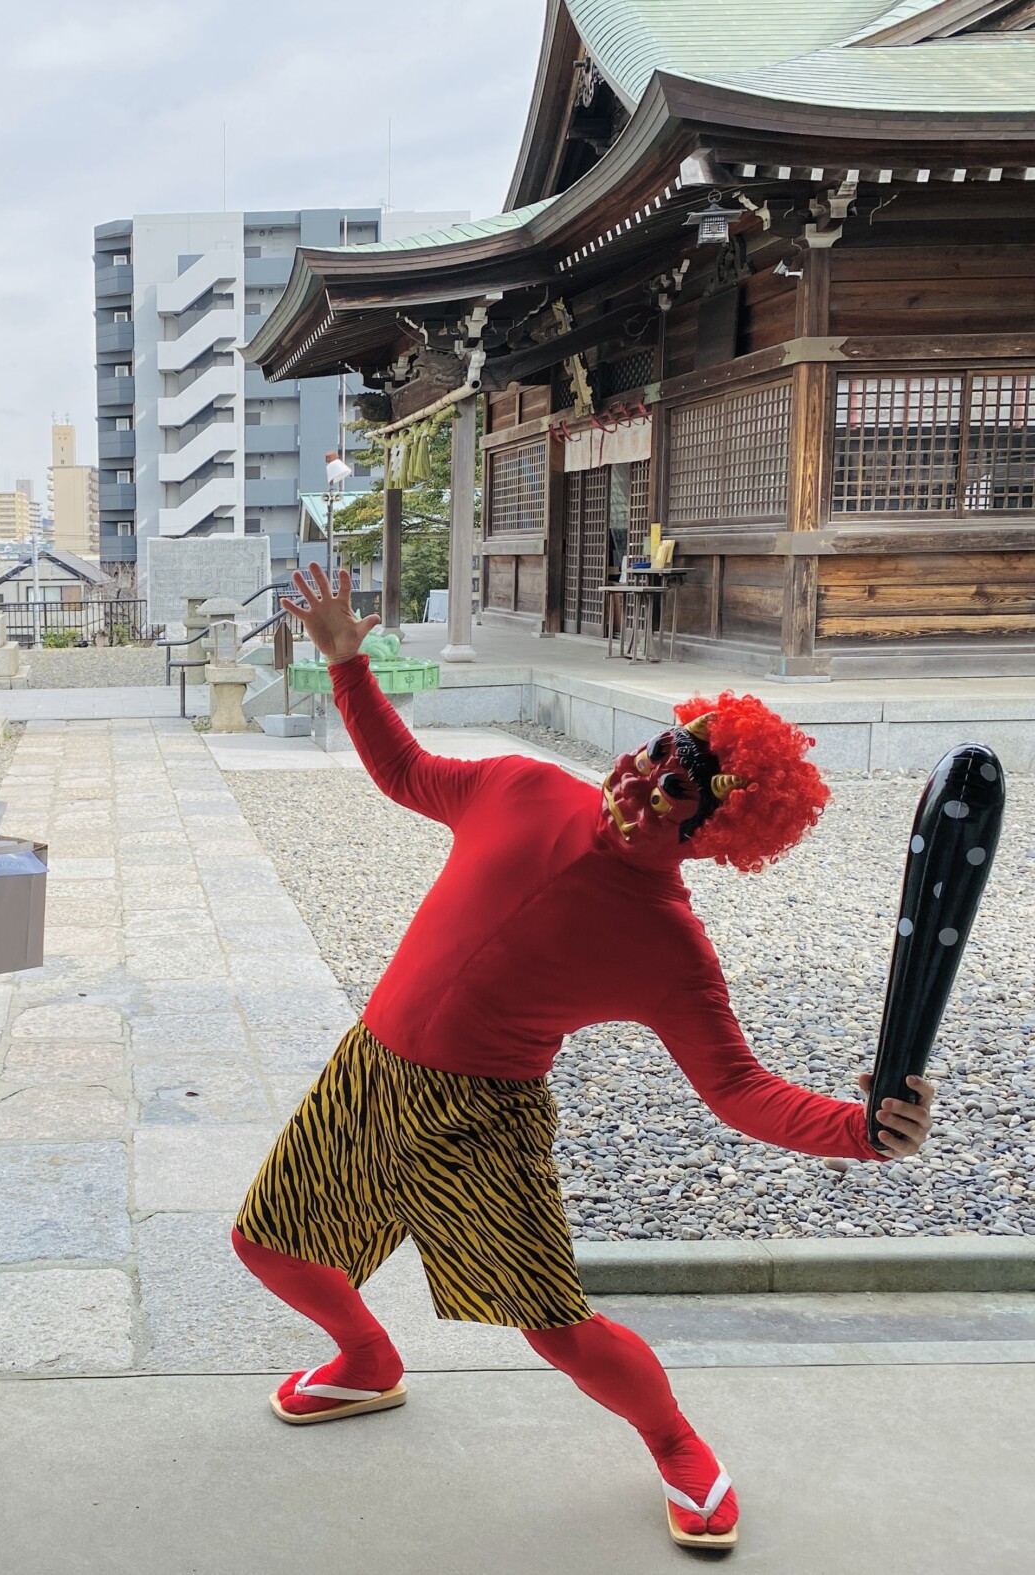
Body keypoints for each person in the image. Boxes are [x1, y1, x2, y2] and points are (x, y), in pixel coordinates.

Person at [231, 564, 936, 1549]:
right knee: (267, 1243)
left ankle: (678, 1444)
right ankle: (367, 1356)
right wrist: (350, 666)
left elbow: (739, 1091)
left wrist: (864, 1132)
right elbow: (407, 774)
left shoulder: (667, 947)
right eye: (657, 752)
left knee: (556, 1329)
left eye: (678, 786)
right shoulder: (521, 785)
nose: (646, 778)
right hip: (371, 1069)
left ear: (711, 832)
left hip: (482, 1121)